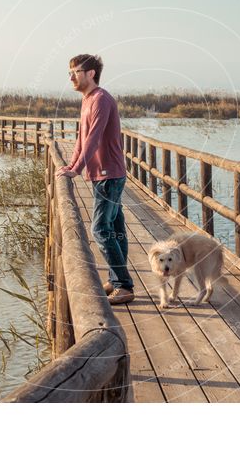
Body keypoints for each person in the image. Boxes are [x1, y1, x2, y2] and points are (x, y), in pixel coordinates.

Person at [55, 54, 134, 305]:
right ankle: (115, 278)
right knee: (116, 229)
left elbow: (95, 137)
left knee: (100, 229)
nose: (71, 77)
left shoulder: (101, 99)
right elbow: (81, 138)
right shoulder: (87, 100)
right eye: (69, 72)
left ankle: (124, 285)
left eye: (76, 71)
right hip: (103, 174)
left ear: (91, 74)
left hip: (109, 174)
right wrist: (72, 164)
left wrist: (77, 169)